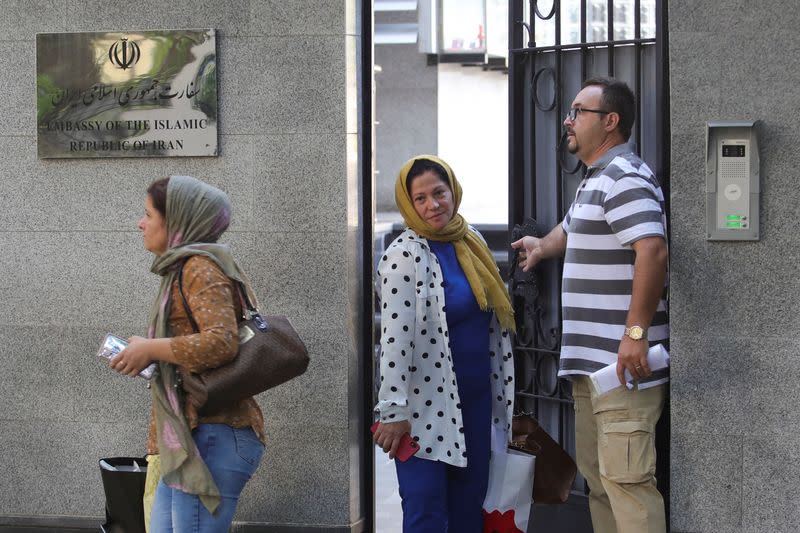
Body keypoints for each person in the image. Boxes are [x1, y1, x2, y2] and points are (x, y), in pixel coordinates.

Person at [512, 77, 669, 533]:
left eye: (578, 111)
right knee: (600, 482)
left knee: (627, 484)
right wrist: (542, 247)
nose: (567, 119)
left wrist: (635, 335)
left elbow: (653, 251)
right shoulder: (596, 180)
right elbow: (572, 228)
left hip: (623, 369)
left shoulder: (625, 176)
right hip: (592, 368)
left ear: (610, 121)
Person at [110, 175, 265, 532]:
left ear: (176, 220)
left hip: (212, 435)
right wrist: (150, 354)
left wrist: (151, 348)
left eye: (148, 214)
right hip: (191, 437)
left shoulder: (200, 267)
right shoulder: (182, 267)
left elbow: (221, 342)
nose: (140, 223)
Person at [373, 155, 516, 532]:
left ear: (453, 190)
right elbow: (393, 340)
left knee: (470, 510)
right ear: (409, 204)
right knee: (426, 512)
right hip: (423, 408)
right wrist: (392, 410)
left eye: (439, 192)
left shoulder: (472, 241)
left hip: (476, 400)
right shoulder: (404, 255)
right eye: (420, 198)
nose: (432, 205)